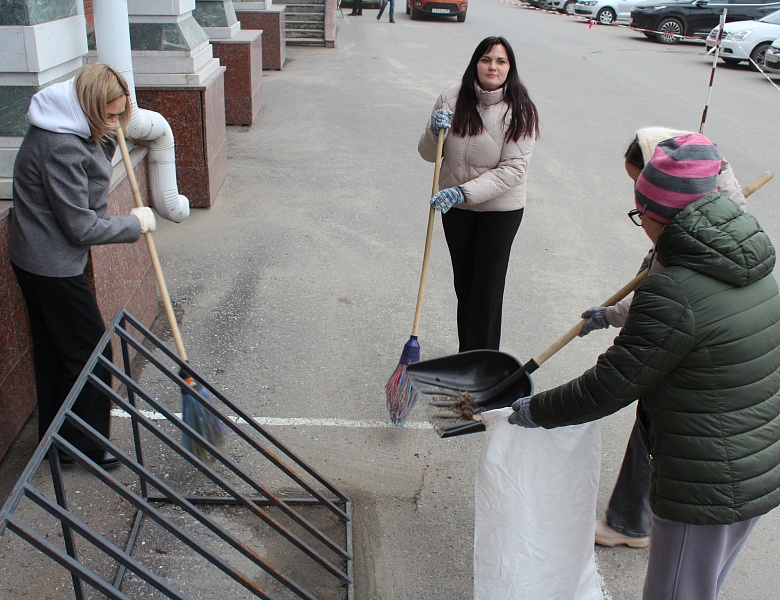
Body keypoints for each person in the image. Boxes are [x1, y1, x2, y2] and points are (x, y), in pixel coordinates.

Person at [509, 133, 780, 599]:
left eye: (641, 215)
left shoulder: (673, 289)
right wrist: (613, 314)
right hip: (755, 465)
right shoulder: (745, 262)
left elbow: (610, 385)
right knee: (702, 586)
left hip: (706, 482)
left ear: (660, 216)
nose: (641, 226)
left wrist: (537, 410)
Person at [579, 127, 747, 549]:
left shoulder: (686, 243)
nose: (641, 203)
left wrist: (612, 316)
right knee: (657, 422)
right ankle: (633, 519)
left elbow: (660, 299)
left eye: (644, 190)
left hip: (701, 356)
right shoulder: (715, 214)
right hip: (716, 350)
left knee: (656, 419)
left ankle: (631, 523)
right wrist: (612, 313)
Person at [8, 63, 156, 469]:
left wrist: (106, 139)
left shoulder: (71, 130)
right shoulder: (61, 146)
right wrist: (134, 224)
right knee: (93, 353)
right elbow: (81, 225)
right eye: (109, 115)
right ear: (88, 108)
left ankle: (57, 444)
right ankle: (87, 446)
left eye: (120, 114)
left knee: (57, 354)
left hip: (41, 257)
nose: (115, 123)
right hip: (50, 265)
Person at [418, 35, 539, 352]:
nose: (492, 67)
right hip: (457, 211)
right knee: (466, 287)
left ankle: (483, 366)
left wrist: (463, 192)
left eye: (501, 61)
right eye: (486, 59)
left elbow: (513, 169)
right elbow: (429, 155)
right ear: (476, 63)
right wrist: (433, 131)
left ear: (510, 68)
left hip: (499, 213)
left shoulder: (521, 110)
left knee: (486, 292)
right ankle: (466, 356)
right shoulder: (451, 98)